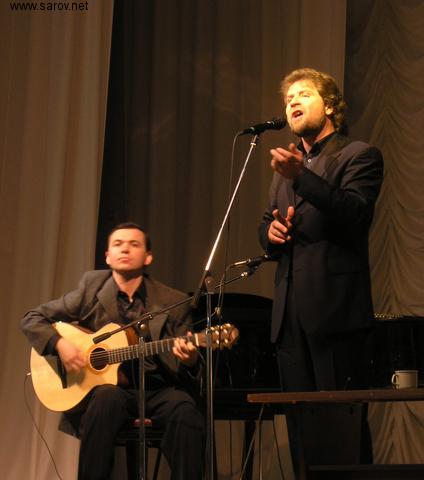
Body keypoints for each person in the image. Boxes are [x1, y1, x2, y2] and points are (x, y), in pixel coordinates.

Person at [258, 68, 384, 475]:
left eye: (304, 94)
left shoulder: (359, 154)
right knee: (302, 431)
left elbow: (355, 212)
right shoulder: (286, 168)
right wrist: (269, 234)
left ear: (329, 106)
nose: (293, 102)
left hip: (335, 313)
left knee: (343, 429)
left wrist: (302, 177)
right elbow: (267, 221)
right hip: (289, 317)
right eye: (288, 98)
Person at [21, 222, 205, 480]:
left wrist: (190, 359)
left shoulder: (173, 301)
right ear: (107, 257)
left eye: (134, 244)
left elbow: (188, 369)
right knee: (104, 400)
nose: (125, 249)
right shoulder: (91, 288)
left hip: (159, 388)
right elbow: (32, 319)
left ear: (148, 257)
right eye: (118, 244)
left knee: (186, 411)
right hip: (111, 392)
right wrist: (60, 345)